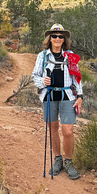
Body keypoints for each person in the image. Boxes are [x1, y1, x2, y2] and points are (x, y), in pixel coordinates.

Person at [32, 24, 83, 180]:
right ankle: (57, 159)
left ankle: (68, 162)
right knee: (53, 127)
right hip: (49, 95)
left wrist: (80, 96)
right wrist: (43, 81)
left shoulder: (70, 56)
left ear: (64, 39)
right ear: (49, 38)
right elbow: (35, 76)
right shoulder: (43, 56)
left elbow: (77, 77)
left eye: (61, 36)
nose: (57, 39)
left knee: (68, 131)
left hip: (67, 95)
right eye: (54, 36)